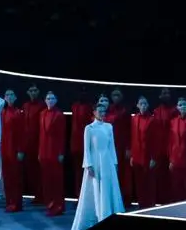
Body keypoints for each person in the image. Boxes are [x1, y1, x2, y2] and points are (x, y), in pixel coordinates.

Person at [71, 102, 125, 230]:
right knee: (95, 189)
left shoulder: (109, 127)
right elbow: (87, 148)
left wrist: (115, 162)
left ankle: (108, 214)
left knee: (108, 188)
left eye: (103, 111)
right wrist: (88, 164)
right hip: (95, 162)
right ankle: (97, 216)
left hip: (107, 162)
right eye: (99, 111)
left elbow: (111, 146)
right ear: (94, 112)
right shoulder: (89, 128)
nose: (102, 113)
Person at [128, 97, 163, 208]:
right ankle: (141, 205)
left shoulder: (153, 120)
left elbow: (156, 140)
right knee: (139, 183)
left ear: (148, 105)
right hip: (137, 156)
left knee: (149, 183)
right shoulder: (134, 118)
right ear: (137, 105)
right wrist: (132, 155)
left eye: (145, 103)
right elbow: (132, 137)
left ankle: (150, 205)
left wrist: (154, 157)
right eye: (141, 103)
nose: (143, 105)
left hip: (148, 156)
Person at [37, 92, 67, 217]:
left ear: (56, 100)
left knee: (57, 180)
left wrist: (61, 152)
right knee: (47, 180)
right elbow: (41, 134)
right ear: (45, 100)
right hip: (44, 151)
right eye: (48, 98)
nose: (50, 100)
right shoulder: (42, 114)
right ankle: (50, 204)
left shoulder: (59, 115)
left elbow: (62, 135)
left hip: (55, 152)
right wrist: (40, 152)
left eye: (52, 98)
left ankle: (58, 205)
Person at [0, 90, 25, 212]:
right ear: (4, 98)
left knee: (15, 177)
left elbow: (22, 133)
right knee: (7, 176)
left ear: (15, 97)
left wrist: (20, 150)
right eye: (7, 95)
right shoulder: (3, 112)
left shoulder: (18, 112)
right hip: (5, 148)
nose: (9, 97)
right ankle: (9, 201)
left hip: (15, 149)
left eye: (11, 95)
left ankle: (16, 203)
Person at [20, 86, 44, 202]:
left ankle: (42, 195)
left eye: (35, 90)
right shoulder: (25, 106)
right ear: (27, 92)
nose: (33, 93)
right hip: (27, 142)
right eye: (31, 91)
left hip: (39, 141)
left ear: (38, 92)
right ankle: (36, 194)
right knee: (31, 170)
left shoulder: (42, 105)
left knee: (40, 170)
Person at [69, 93, 94, 195]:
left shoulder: (90, 107)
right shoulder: (74, 106)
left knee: (88, 171)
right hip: (76, 143)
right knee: (78, 172)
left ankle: (87, 195)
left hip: (87, 143)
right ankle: (79, 195)